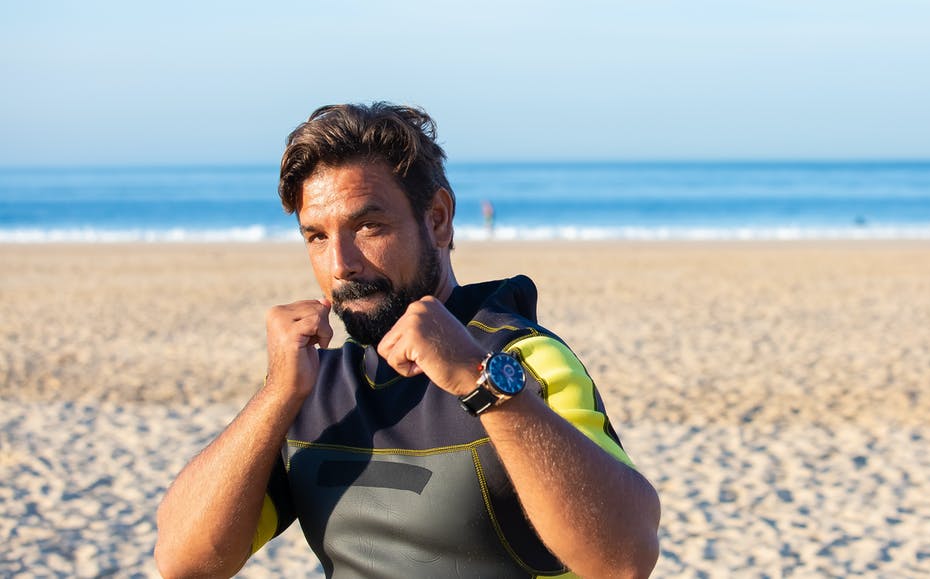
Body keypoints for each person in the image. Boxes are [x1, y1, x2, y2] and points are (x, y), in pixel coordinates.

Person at [154, 102, 661, 578]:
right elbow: (185, 561)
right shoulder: (314, 387)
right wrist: (277, 393)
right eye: (317, 236)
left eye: (369, 226)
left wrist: (474, 377)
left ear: (438, 219)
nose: (340, 264)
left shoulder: (520, 359)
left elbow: (623, 559)